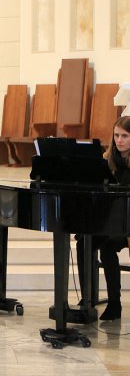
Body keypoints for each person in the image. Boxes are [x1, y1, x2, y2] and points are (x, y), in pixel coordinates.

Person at [76, 116, 130, 321]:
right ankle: (87, 298)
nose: (120, 140)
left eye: (125, 136)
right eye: (116, 135)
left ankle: (114, 304)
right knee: (84, 242)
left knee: (107, 247)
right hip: (112, 222)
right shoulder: (107, 160)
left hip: (127, 223)